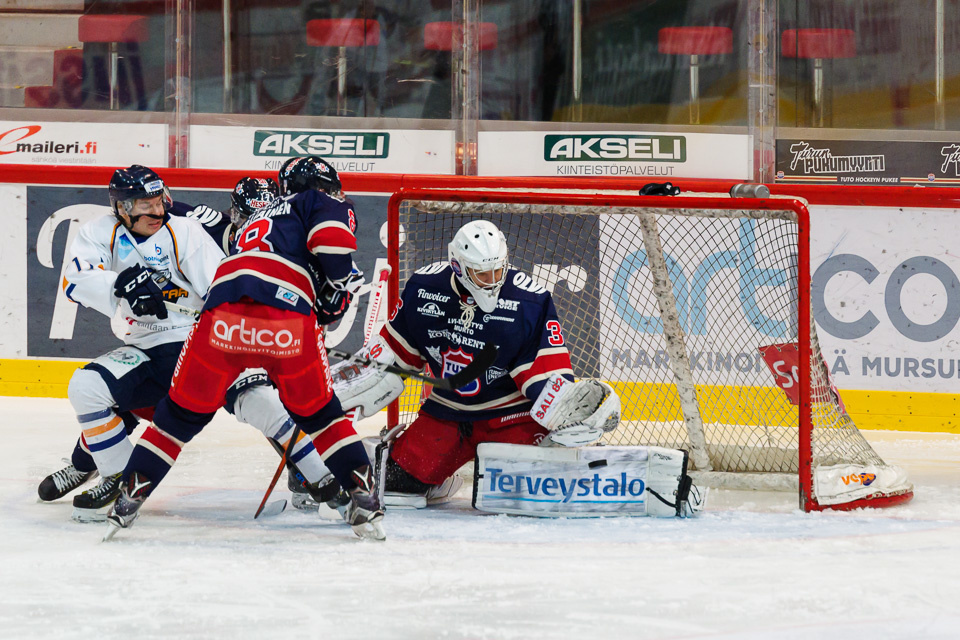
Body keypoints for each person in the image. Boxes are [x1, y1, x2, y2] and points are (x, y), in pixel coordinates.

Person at [107, 156, 385, 541]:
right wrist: (342, 282)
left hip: (220, 315)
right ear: (319, 187)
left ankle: (127, 499)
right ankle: (363, 498)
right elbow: (332, 254)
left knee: (177, 418)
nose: (338, 194)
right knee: (321, 415)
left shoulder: (254, 219)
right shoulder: (315, 202)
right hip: (285, 319)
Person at [38, 169, 336, 521]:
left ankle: (328, 481)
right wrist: (120, 283)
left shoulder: (186, 230)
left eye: (160, 202)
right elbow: (76, 279)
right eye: (145, 205)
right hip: (145, 348)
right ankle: (116, 476)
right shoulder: (99, 232)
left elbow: (222, 285)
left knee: (262, 401)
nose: (157, 212)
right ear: (121, 208)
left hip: (200, 339)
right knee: (87, 387)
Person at [332, 220, 620, 508]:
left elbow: (545, 378)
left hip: (508, 417)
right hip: (447, 414)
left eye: (497, 270)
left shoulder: (529, 301)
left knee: (532, 492)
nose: (493, 280)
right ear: (458, 266)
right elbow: (392, 358)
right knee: (399, 485)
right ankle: (435, 478)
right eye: (482, 274)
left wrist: (572, 407)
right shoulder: (423, 289)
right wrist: (342, 392)